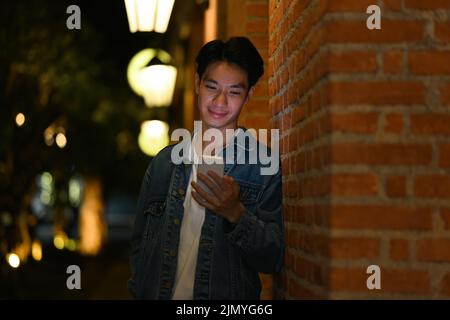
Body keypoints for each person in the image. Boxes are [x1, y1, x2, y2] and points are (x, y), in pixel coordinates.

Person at [128, 37, 284, 300]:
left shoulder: (262, 167)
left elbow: (273, 258)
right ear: (197, 83)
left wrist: (235, 213)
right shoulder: (164, 164)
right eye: (212, 87)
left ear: (249, 95)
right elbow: (139, 245)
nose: (220, 102)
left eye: (234, 92)